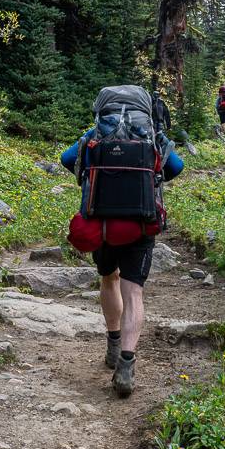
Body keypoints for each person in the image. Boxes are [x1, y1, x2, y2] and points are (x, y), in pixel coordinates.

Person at [60, 85, 184, 398]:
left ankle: (113, 344)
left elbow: (66, 158)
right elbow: (177, 167)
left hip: (101, 225)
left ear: (103, 108)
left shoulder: (95, 135)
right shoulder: (152, 136)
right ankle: (126, 365)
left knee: (109, 280)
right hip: (140, 227)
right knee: (134, 292)